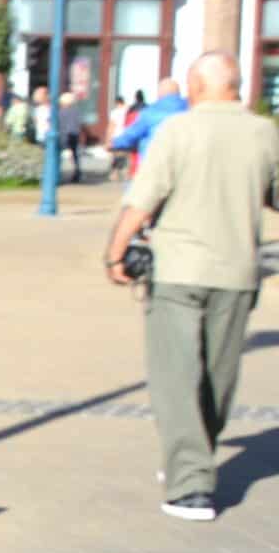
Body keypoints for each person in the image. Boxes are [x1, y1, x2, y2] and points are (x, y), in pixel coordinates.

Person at [104, 52, 279, 522]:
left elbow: (143, 199)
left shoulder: (177, 131)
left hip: (179, 271)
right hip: (237, 272)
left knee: (177, 378)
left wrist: (115, 252)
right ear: (236, 86)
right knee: (219, 375)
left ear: (196, 85)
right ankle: (193, 459)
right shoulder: (264, 133)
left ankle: (190, 485)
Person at [109, 74, 188, 180]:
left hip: (153, 170)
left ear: (159, 94)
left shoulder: (150, 112)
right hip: (184, 172)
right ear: (179, 93)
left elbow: (131, 135)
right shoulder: (190, 109)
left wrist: (113, 143)